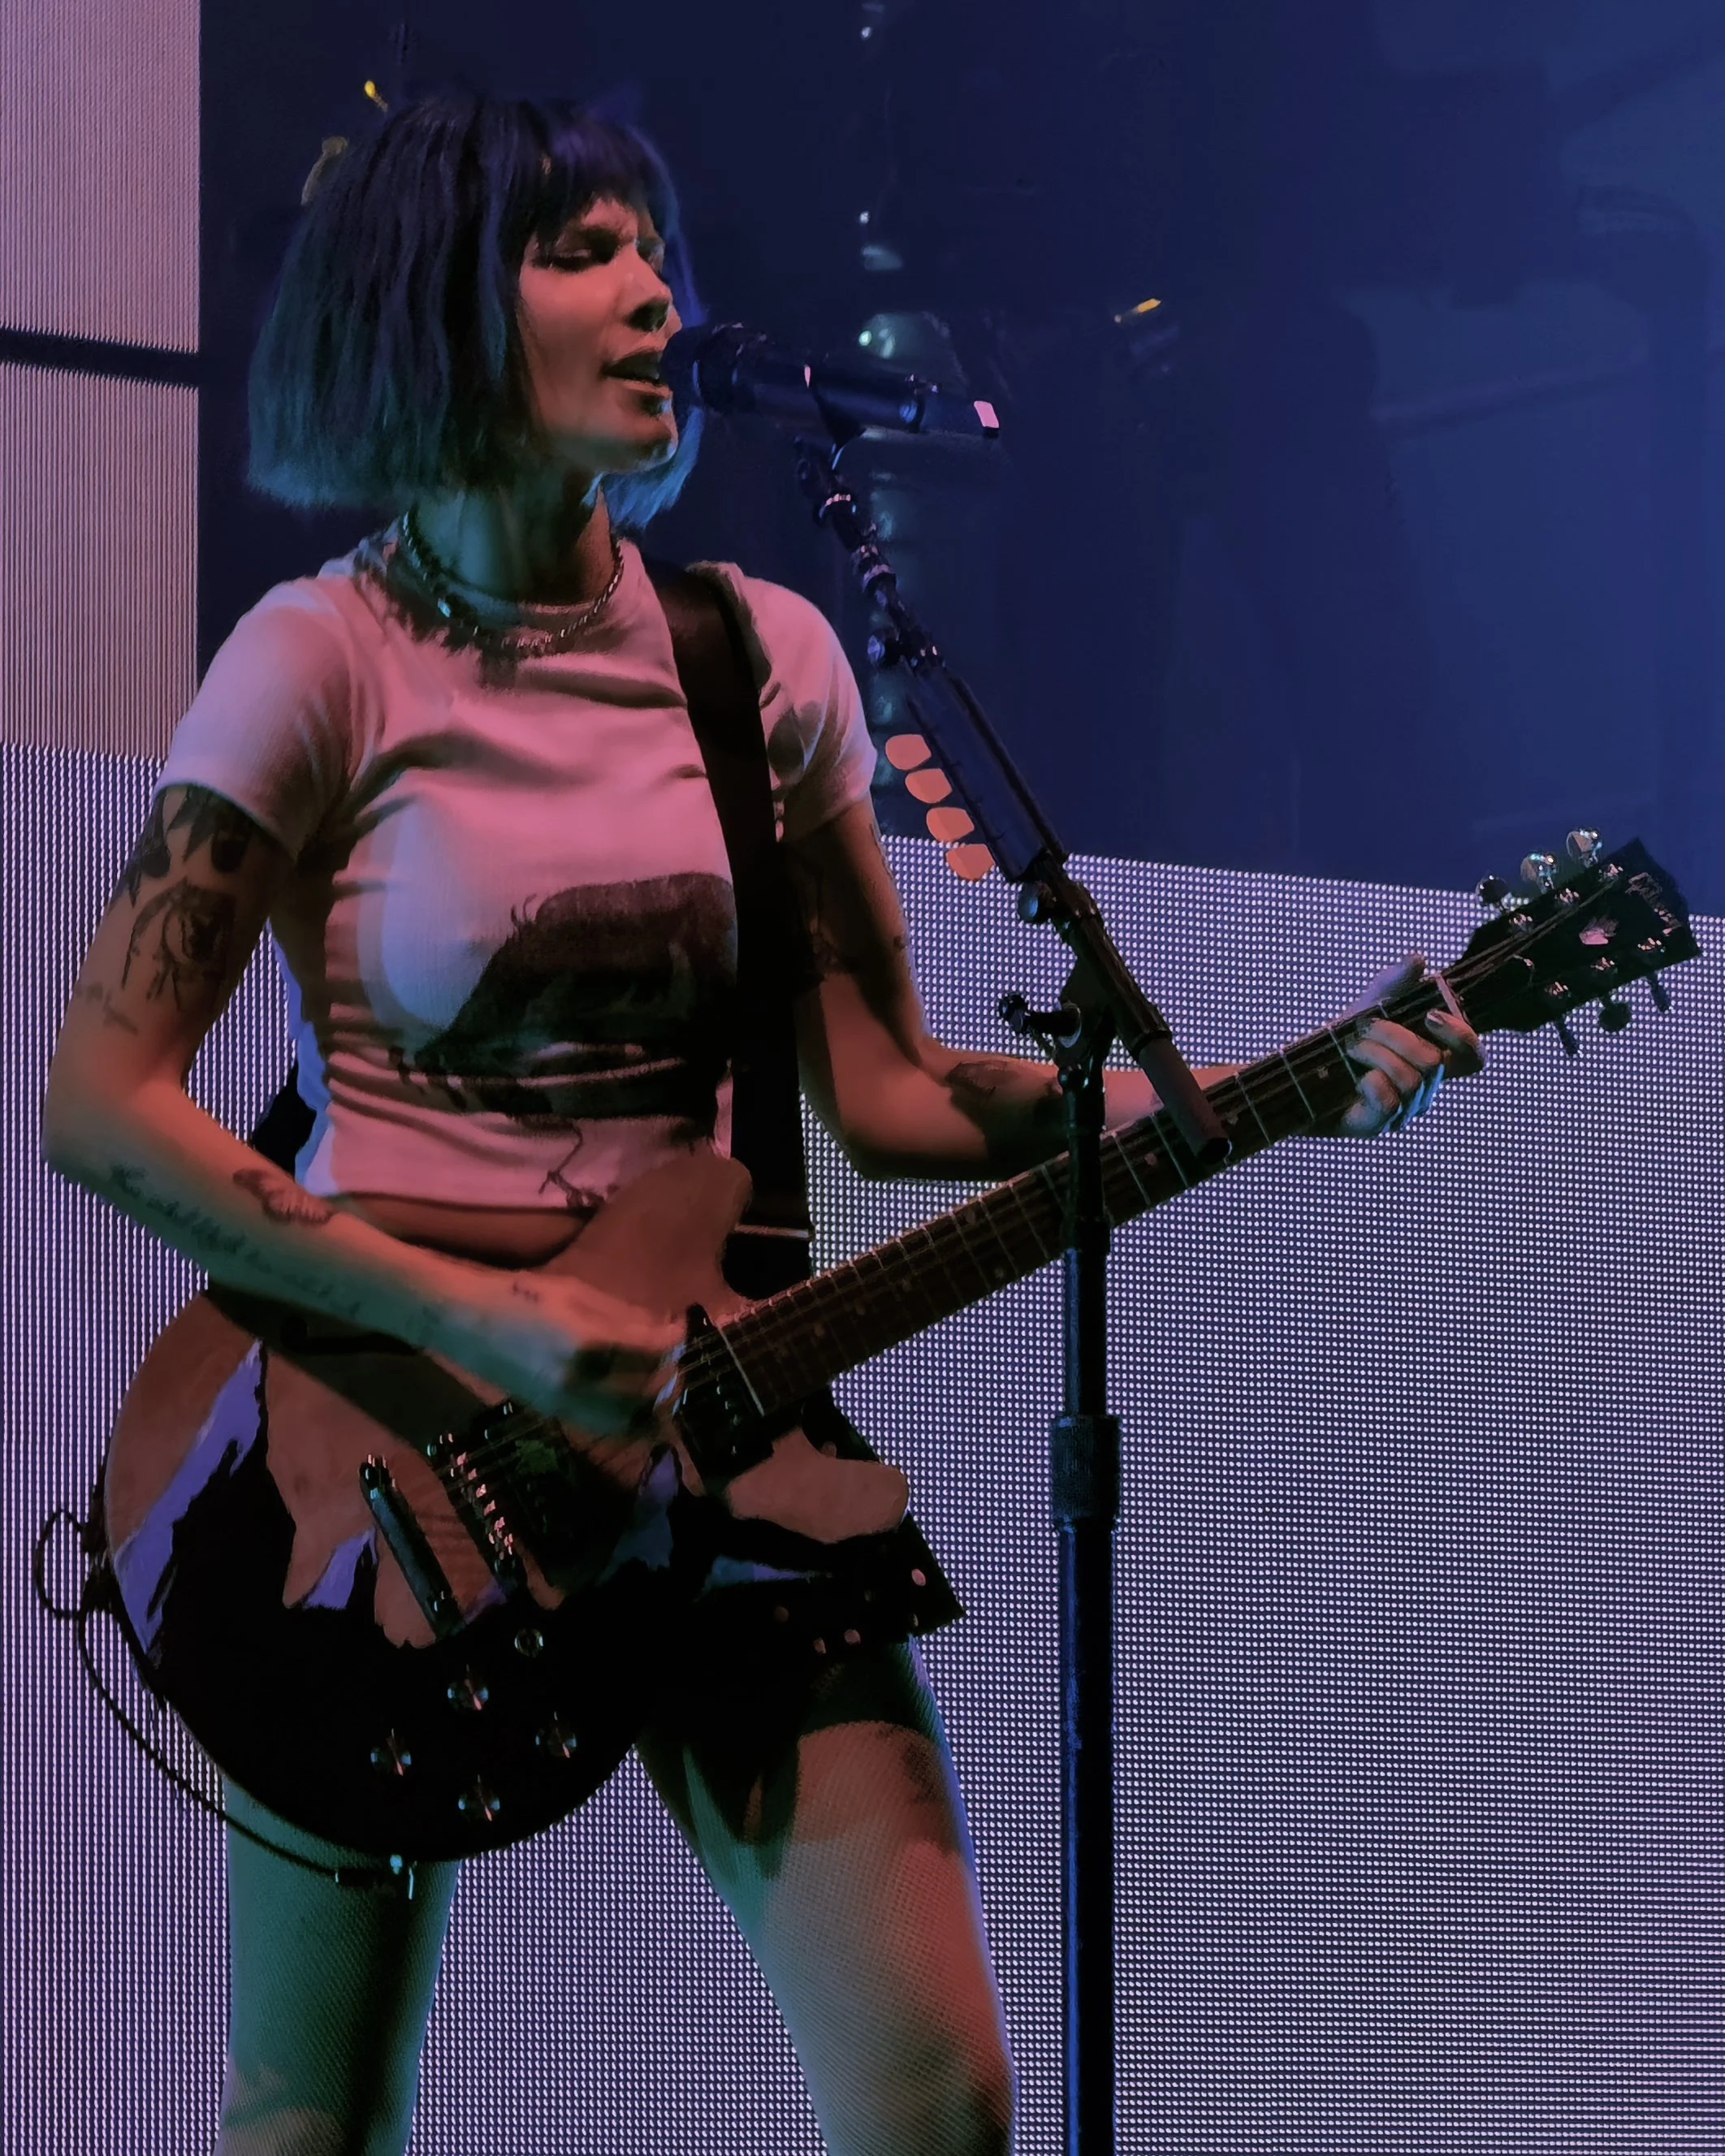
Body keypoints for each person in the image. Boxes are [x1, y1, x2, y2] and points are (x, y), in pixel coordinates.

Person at [42, 93, 1478, 2156]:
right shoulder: (317, 662)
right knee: (310, 2119)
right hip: (377, 1479)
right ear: (438, 306)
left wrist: (1252, 1097)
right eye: (582, 249)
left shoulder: (759, 658)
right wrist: (505, 1329)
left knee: (941, 2097)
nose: (656, 291)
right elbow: (101, 1103)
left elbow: (884, 1096)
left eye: (657, 248)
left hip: (729, 1436)